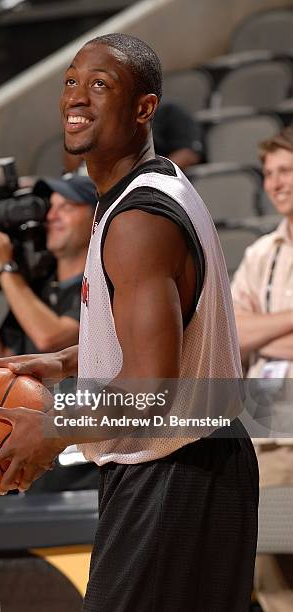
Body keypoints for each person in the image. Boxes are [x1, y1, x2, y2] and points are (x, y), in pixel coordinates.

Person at [0, 34, 258, 610]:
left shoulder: (138, 221)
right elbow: (157, 339)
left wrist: (50, 427)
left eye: (101, 85)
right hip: (204, 459)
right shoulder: (141, 191)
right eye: (71, 82)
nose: (78, 98)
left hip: (174, 468)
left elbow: (152, 391)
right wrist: (64, 360)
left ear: (144, 108)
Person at [0, 173, 98, 492]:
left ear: (95, 215)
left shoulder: (101, 281)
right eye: (49, 207)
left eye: (66, 206)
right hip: (34, 464)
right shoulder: (34, 289)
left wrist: (6, 269)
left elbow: (52, 338)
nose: (51, 215)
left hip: (83, 470)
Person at [231, 126, 293, 612]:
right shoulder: (260, 254)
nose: (277, 183)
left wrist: (265, 328)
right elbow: (235, 332)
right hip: (269, 428)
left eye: (287, 170)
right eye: (270, 173)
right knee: (269, 564)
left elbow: (256, 330)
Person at [63, 100, 203, 173]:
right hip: (92, 190)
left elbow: (188, 155)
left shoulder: (168, 111)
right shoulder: (97, 117)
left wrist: (148, 176)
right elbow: (71, 169)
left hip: (147, 187)